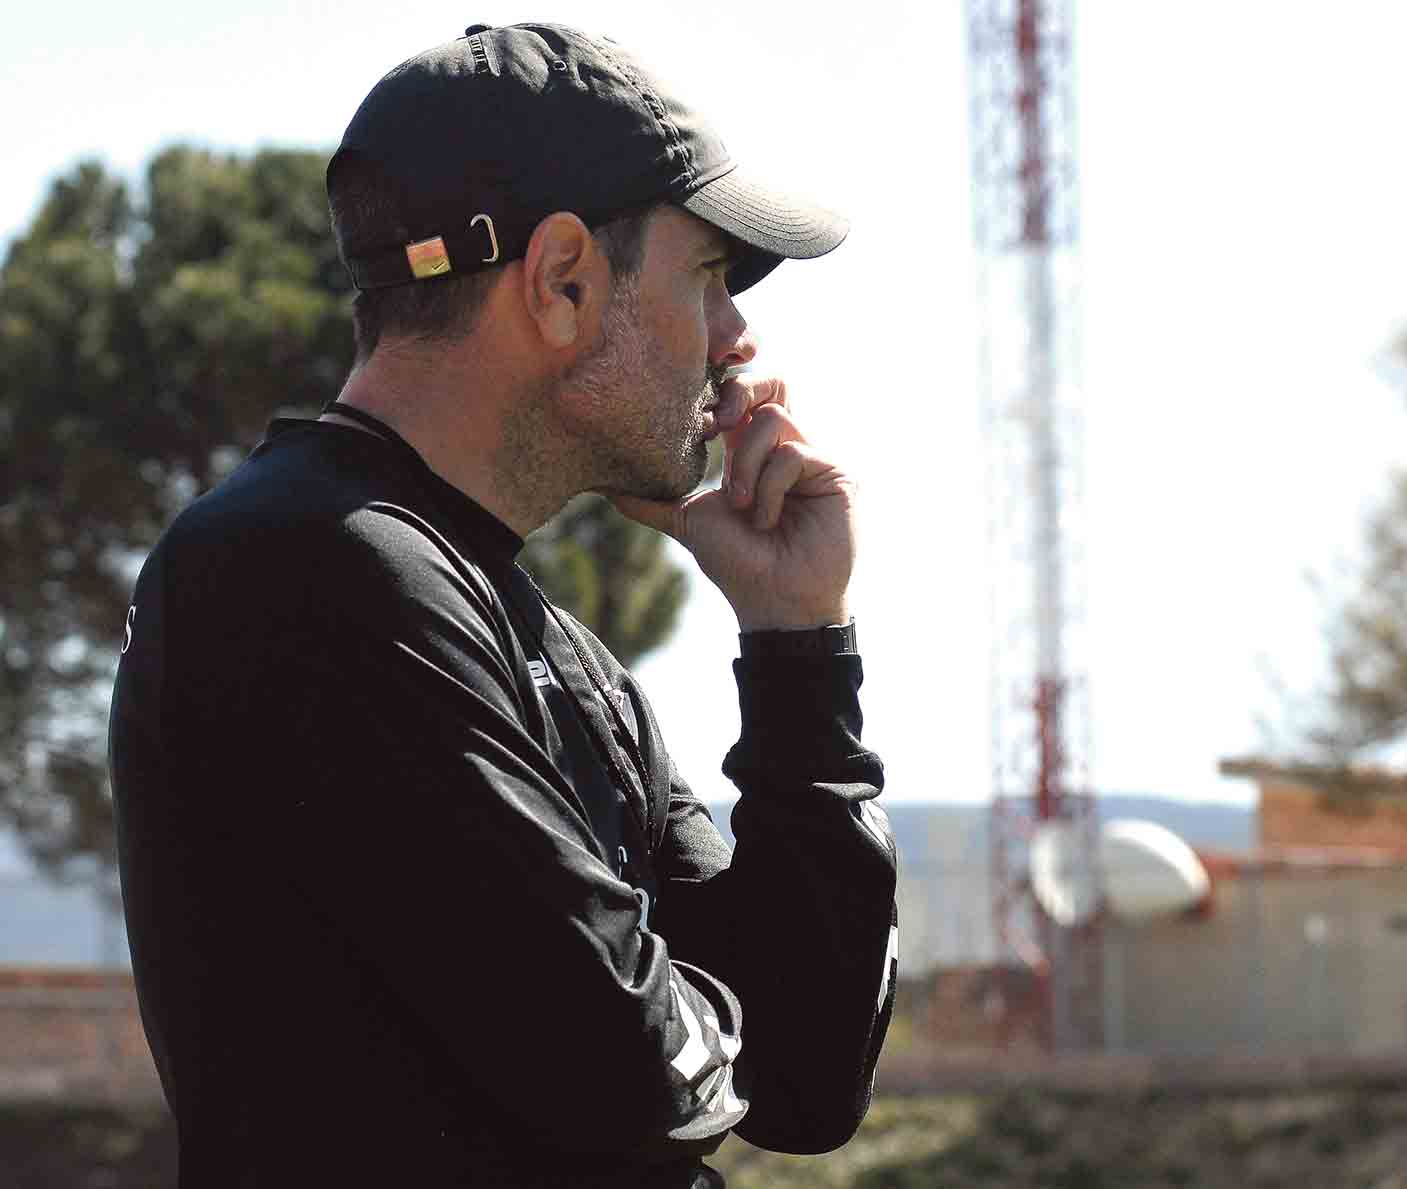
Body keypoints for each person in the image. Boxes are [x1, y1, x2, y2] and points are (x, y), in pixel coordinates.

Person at [108, 22, 897, 1188]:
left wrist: (798, 641)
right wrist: (685, 1023)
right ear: (563, 278)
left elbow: (804, 1083)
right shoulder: (307, 570)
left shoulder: (533, 638)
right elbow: (636, 1079)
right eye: (710, 277)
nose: (738, 340)